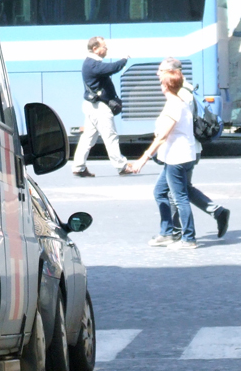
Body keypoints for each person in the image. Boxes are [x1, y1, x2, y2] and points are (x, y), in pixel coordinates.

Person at [125, 66, 199, 249]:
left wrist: (143, 159)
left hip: (178, 158)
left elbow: (163, 136)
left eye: (161, 82)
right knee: (160, 192)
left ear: (165, 86)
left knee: (180, 197)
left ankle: (189, 238)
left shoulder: (174, 104)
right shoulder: (178, 101)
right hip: (178, 156)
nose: (160, 85)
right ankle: (167, 233)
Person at [157, 57, 230, 239]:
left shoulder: (181, 93)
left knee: (174, 193)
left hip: (181, 152)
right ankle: (216, 212)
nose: (158, 74)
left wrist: (153, 150)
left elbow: (178, 126)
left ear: (173, 72)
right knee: (182, 189)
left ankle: (177, 233)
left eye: (161, 70)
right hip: (188, 150)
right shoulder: (186, 89)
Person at [71, 36, 132, 177]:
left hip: (93, 106)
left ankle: (78, 167)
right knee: (110, 136)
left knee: (88, 138)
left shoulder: (91, 63)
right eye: (104, 47)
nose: (106, 49)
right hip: (99, 107)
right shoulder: (93, 64)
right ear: (95, 49)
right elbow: (112, 68)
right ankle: (121, 166)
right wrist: (124, 59)